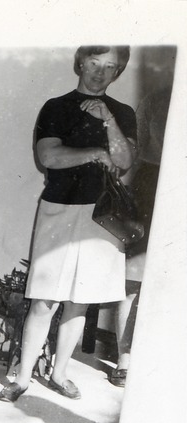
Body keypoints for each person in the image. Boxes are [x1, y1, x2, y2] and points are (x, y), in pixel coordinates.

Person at [0, 46, 137, 403]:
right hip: (59, 209)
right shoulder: (56, 107)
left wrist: (108, 120)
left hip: (103, 216)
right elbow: (49, 157)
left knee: (81, 300)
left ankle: (59, 374)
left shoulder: (122, 113)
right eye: (93, 63)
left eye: (109, 67)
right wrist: (95, 154)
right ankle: (23, 378)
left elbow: (123, 160)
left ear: (117, 71)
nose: (99, 72)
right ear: (80, 63)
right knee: (44, 300)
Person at [110, 81, 171, 387]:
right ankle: (124, 358)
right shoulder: (157, 97)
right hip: (150, 185)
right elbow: (132, 150)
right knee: (133, 279)